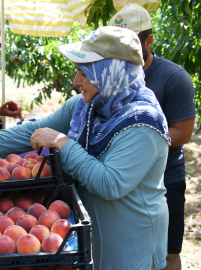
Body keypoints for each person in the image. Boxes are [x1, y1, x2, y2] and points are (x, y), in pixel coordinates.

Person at [0, 26, 171, 270]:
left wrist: (63, 143)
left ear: (112, 73)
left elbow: (110, 183)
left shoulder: (142, 123)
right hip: (93, 235)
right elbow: (31, 131)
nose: (76, 81)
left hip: (130, 245)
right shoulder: (88, 106)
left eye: (85, 73)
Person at [110, 5, 196, 269]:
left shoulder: (174, 78)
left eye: (131, 43)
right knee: (132, 253)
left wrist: (137, 141)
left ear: (149, 40)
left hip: (164, 180)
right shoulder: (113, 76)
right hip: (123, 177)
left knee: (167, 254)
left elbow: (183, 132)